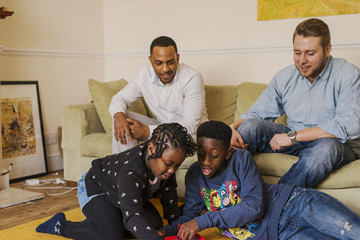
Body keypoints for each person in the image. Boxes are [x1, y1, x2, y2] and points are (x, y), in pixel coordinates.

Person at [162, 120, 360, 240]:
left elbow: (254, 206)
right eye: (201, 153)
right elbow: (189, 216)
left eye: (214, 155)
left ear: (228, 152)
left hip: (294, 204)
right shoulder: (195, 175)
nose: (206, 162)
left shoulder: (240, 158)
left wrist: (204, 220)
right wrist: (163, 232)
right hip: (279, 235)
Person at [230, 18, 360, 188]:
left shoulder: (347, 74)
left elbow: (349, 124)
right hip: (293, 139)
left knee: (326, 148)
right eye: (297, 52)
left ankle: (274, 199)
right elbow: (257, 113)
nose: (302, 60)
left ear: (327, 50)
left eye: (310, 53)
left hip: (335, 145)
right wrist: (232, 128)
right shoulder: (284, 77)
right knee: (249, 128)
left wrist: (293, 137)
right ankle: (228, 194)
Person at [36, 123, 196, 240]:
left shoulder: (166, 170)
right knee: (113, 235)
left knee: (154, 225)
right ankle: (61, 226)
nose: (172, 170)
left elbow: (170, 204)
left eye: (177, 165)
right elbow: (133, 216)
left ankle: (111, 220)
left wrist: (179, 228)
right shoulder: (131, 172)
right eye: (169, 164)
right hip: (98, 188)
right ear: (152, 149)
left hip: (125, 194)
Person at [109, 36, 208, 154]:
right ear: (151, 60)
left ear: (177, 58)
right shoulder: (143, 74)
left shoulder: (192, 78)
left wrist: (147, 131)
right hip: (161, 127)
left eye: (170, 62)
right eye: (159, 63)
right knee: (125, 121)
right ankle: (126, 170)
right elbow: (120, 98)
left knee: (182, 134)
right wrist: (119, 116)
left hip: (190, 134)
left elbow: (191, 125)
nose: (165, 69)